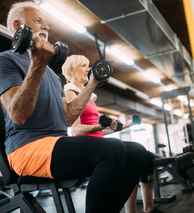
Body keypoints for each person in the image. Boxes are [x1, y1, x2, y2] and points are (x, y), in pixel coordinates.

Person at [0, 1, 148, 213]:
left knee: (138, 153)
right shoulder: (6, 60)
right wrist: (38, 64)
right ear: (19, 26)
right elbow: (18, 115)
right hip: (26, 149)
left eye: (46, 22)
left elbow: (67, 119)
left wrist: (92, 82)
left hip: (56, 144)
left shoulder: (52, 76)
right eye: (38, 21)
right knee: (112, 150)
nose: (46, 26)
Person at [62, 55, 163, 213]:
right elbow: (76, 129)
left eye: (88, 65)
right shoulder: (71, 92)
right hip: (87, 149)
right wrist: (99, 125)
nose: (88, 70)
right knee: (130, 154)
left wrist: (127, 124)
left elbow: (100, 130)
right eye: (84, 65)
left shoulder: (89, 96)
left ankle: (146, 209)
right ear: (71, 71)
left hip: (100, 144)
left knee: (143, 157)